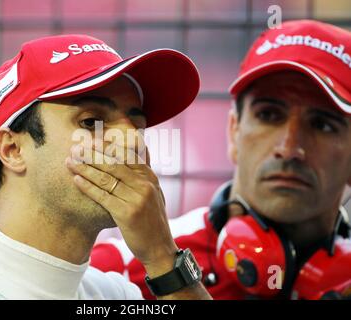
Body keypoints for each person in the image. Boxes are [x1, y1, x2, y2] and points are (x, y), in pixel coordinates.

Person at [0, 34, 212, 300]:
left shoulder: (118, 295)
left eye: (138, 126)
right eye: (91, 122)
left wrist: (162, 257)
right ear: (12, 149)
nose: (132, 142)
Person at [91, 20, 351, 300]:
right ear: (233, 130)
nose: (289, 148)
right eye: (269, 115)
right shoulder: (121, 271)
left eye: (322, 125)